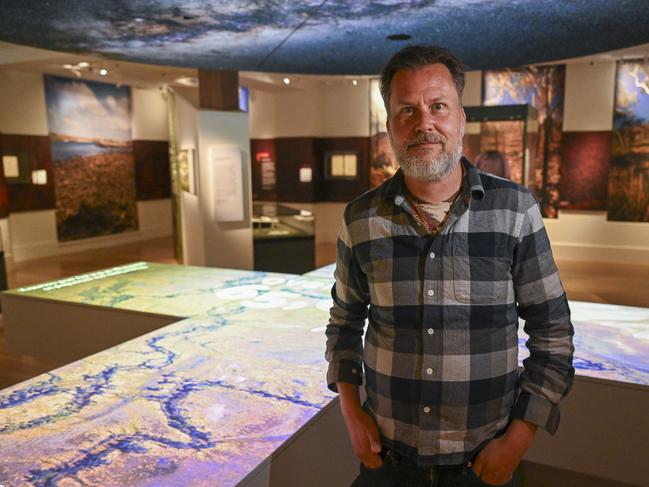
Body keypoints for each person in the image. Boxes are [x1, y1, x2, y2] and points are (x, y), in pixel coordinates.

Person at [325, 45, 574, 487]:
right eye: (407, 110)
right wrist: (350, 409)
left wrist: (518, 438)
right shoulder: (361, 219)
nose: (424, 123)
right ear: (390, 127)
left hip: (483, 462)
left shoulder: (515, 211)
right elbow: (344, 323)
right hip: (388, 462)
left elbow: (553, 335)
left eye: (438, 106)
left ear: (461, 118)